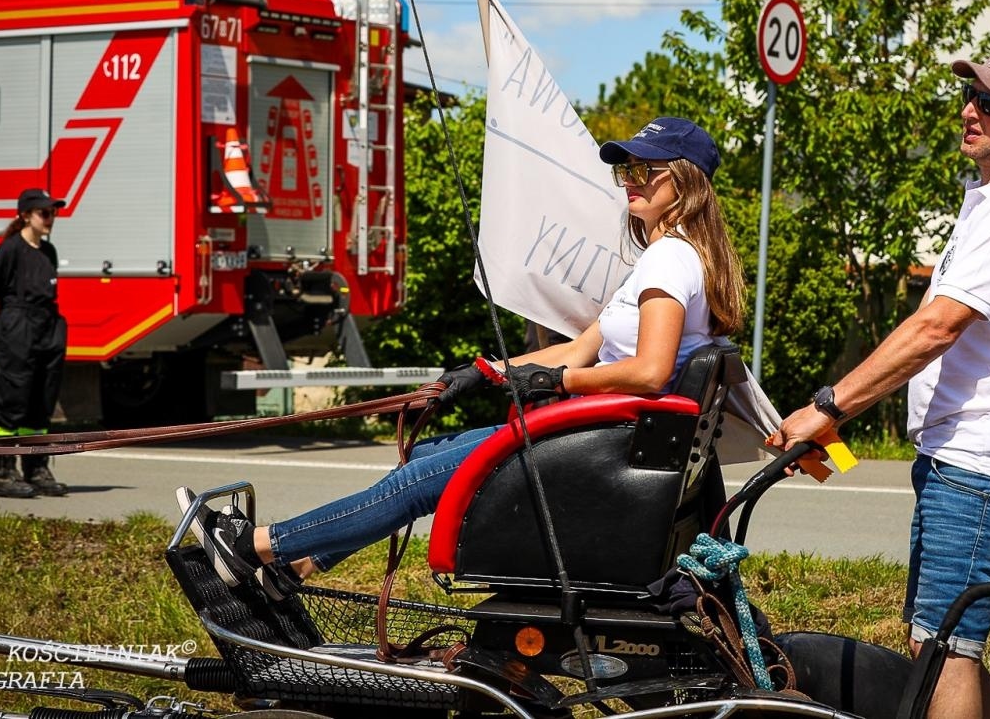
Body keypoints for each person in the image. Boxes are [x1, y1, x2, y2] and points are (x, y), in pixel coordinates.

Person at [181, 116, 744, 600]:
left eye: (646, 171)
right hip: (603, 434)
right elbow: (580, 345)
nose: (631, 183)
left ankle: (258, 546)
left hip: (604, 442)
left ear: (686, 182)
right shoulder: (667, 258)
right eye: (626, 171)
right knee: (427, 453)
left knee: (417, 481)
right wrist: (487, 373)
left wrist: (561, 381)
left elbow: (648, 371)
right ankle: (302, 564)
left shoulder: (670, 257)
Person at [769, 45, 990, 719]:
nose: (971, 111)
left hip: (985, 466)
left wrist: (829, 407)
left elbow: (936, 327)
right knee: (942, 646)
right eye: (970, 97)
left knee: (943, 650)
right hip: (967, 462)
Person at [0, 187, 70, 499]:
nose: (50, 218)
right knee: (11, 402)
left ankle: (36, 468)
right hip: (18, 327)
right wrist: (13, 324)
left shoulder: (49, 252)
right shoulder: (9, 250)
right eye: (44, 213)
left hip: (47, 327)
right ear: (25, 215)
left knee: (40, 404)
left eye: (53, 212)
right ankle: (2, 473)